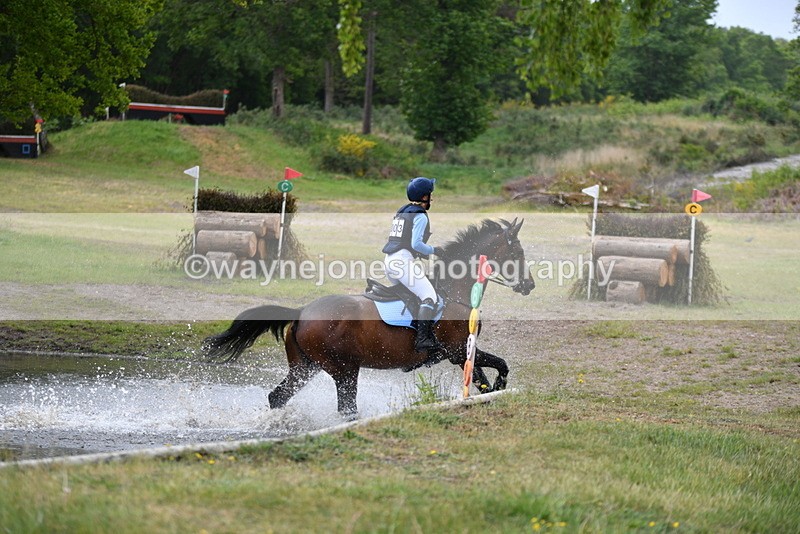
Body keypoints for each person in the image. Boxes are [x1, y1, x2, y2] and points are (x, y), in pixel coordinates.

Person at [382, 177, 446, 354]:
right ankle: (422, 340)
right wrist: (435, 250)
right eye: (430, 195)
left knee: (410, 296)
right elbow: (416, 243)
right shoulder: (420, 215)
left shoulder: (402, 211)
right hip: (402, 262)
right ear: (424, 196)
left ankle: (405, 335)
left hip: (390, 261)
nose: (431, 198)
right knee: (429, 297)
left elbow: (404, 241)